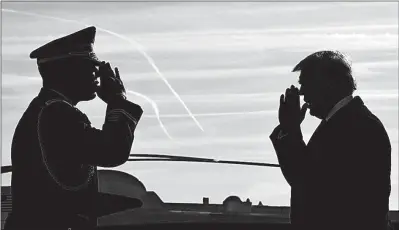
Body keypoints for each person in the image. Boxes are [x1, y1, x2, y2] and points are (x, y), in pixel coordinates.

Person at [4, 26, 143, 230]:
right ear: (67, 72)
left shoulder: (47, 109)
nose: (97, 73)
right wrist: (117, 100)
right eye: (89, 66)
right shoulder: (57, 115)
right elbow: (112, 151)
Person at [269, 50, 392, 230]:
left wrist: (290, 129)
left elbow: (306, 182)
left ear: (328, 84)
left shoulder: (356, 127)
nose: (302, 93)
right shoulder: (353, 122)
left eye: (305, 84)